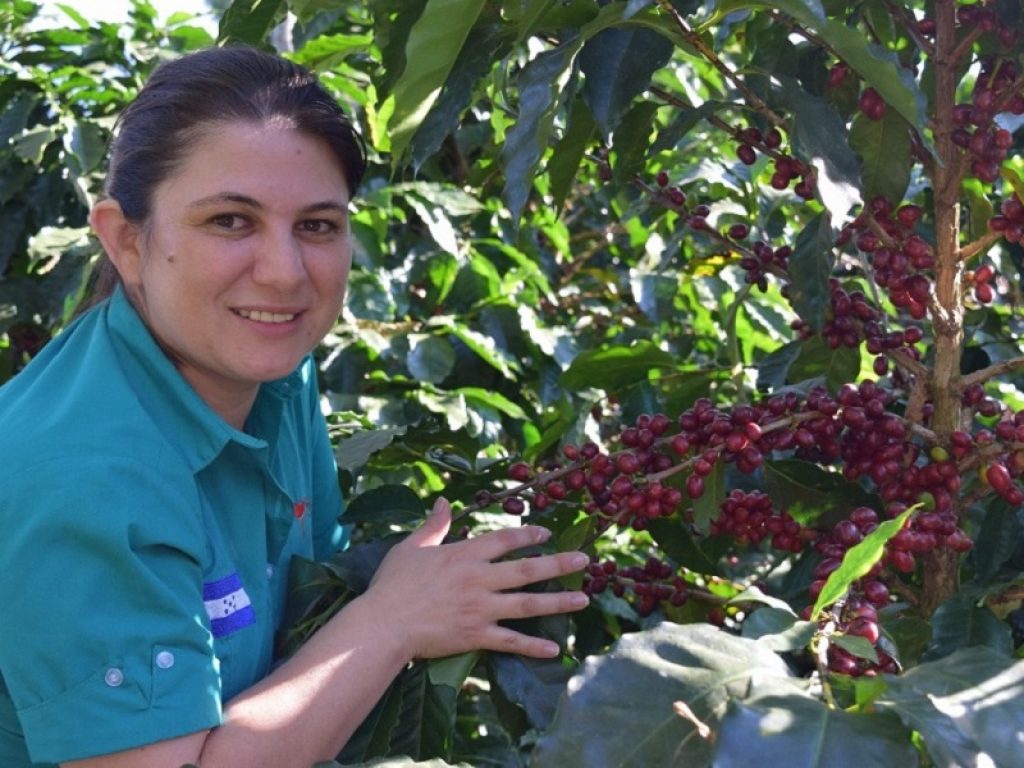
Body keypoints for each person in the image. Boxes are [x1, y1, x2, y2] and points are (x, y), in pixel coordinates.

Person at [0, 45, 589, 768]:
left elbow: (300, 613)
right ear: (126, 240)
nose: (283, 274)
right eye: (229, 221)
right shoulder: (82, 480)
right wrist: (393, 620)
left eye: (316, 226)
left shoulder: (273, 374)